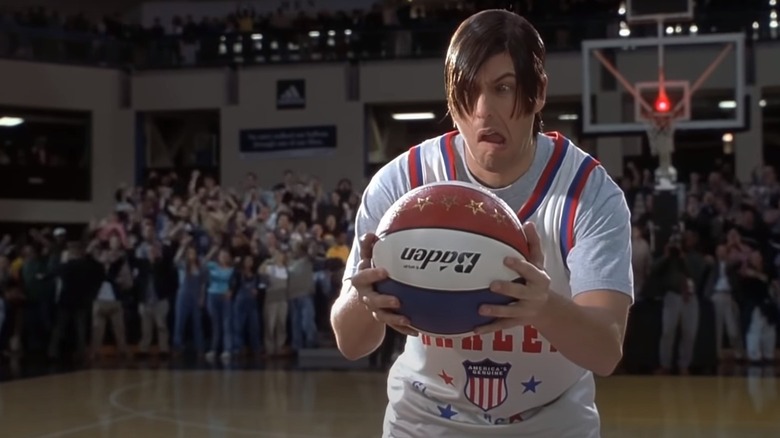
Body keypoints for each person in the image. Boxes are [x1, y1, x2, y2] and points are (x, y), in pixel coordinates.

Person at [330, 9, 634, 438]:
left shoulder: (589, 193)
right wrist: (366, 303)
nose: (483, 111)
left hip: (551, 423)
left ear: (539, 91)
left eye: (503, 88)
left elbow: (605, 351)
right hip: (425, 422)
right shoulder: (403, 183)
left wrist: (542, 305)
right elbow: (350, 342)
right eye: (467, 92)